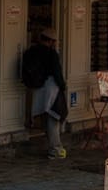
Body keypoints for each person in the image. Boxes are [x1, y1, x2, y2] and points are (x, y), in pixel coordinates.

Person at [24, 28, 68, 159]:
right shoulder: (51, 53)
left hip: (37, 88)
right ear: (51, 41)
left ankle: (51, 146)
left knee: (44, 115)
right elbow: (56, 72)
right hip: (51, 87)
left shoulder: (30, 52)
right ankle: (55, 148)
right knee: (54, 116)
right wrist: (62, 85)